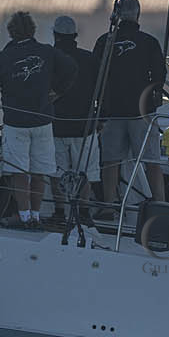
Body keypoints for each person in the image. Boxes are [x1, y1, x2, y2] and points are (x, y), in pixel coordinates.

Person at [0, 11, 76, 230]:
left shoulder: (3, 58)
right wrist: (58, 91)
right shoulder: (46, 52)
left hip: (16, 124)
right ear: (33, 30)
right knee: (39, 172)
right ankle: (37, 217)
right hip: (43, 122)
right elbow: (71, 68)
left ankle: (24, 216)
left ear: (11, 33)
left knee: (20, 173)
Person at [94, 0, 169, 205]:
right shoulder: (149, 43)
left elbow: (96, 75)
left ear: (116, 15)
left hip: (112, 112)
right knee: (152, 161)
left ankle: (108, 205)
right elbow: (159, 77)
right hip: (142, 112)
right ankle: (159, 203)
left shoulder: (105, 42)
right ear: (138, 14)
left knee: (110, 162)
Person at [50, 16, 99, 224]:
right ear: (75, 36)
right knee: (86, 170)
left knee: (57, 170)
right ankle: (85, 212)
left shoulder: (49, 59)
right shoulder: (89, 59)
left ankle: (60, 211)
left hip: (56, 125)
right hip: (85, 126)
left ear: (55, 35)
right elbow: (100, 91)